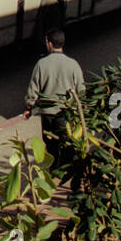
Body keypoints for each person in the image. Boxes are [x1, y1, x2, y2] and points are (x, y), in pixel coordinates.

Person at [23, 29, 84, 167]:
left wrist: (29, 108)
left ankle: (54, 168)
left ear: (49, 44)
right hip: (66, 113)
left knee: (51, 145)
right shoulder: (73, 64)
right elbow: (81, 91)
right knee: (67, 142)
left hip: (48, 114)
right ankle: (65, 168)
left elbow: (33, 91)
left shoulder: (41, 64)